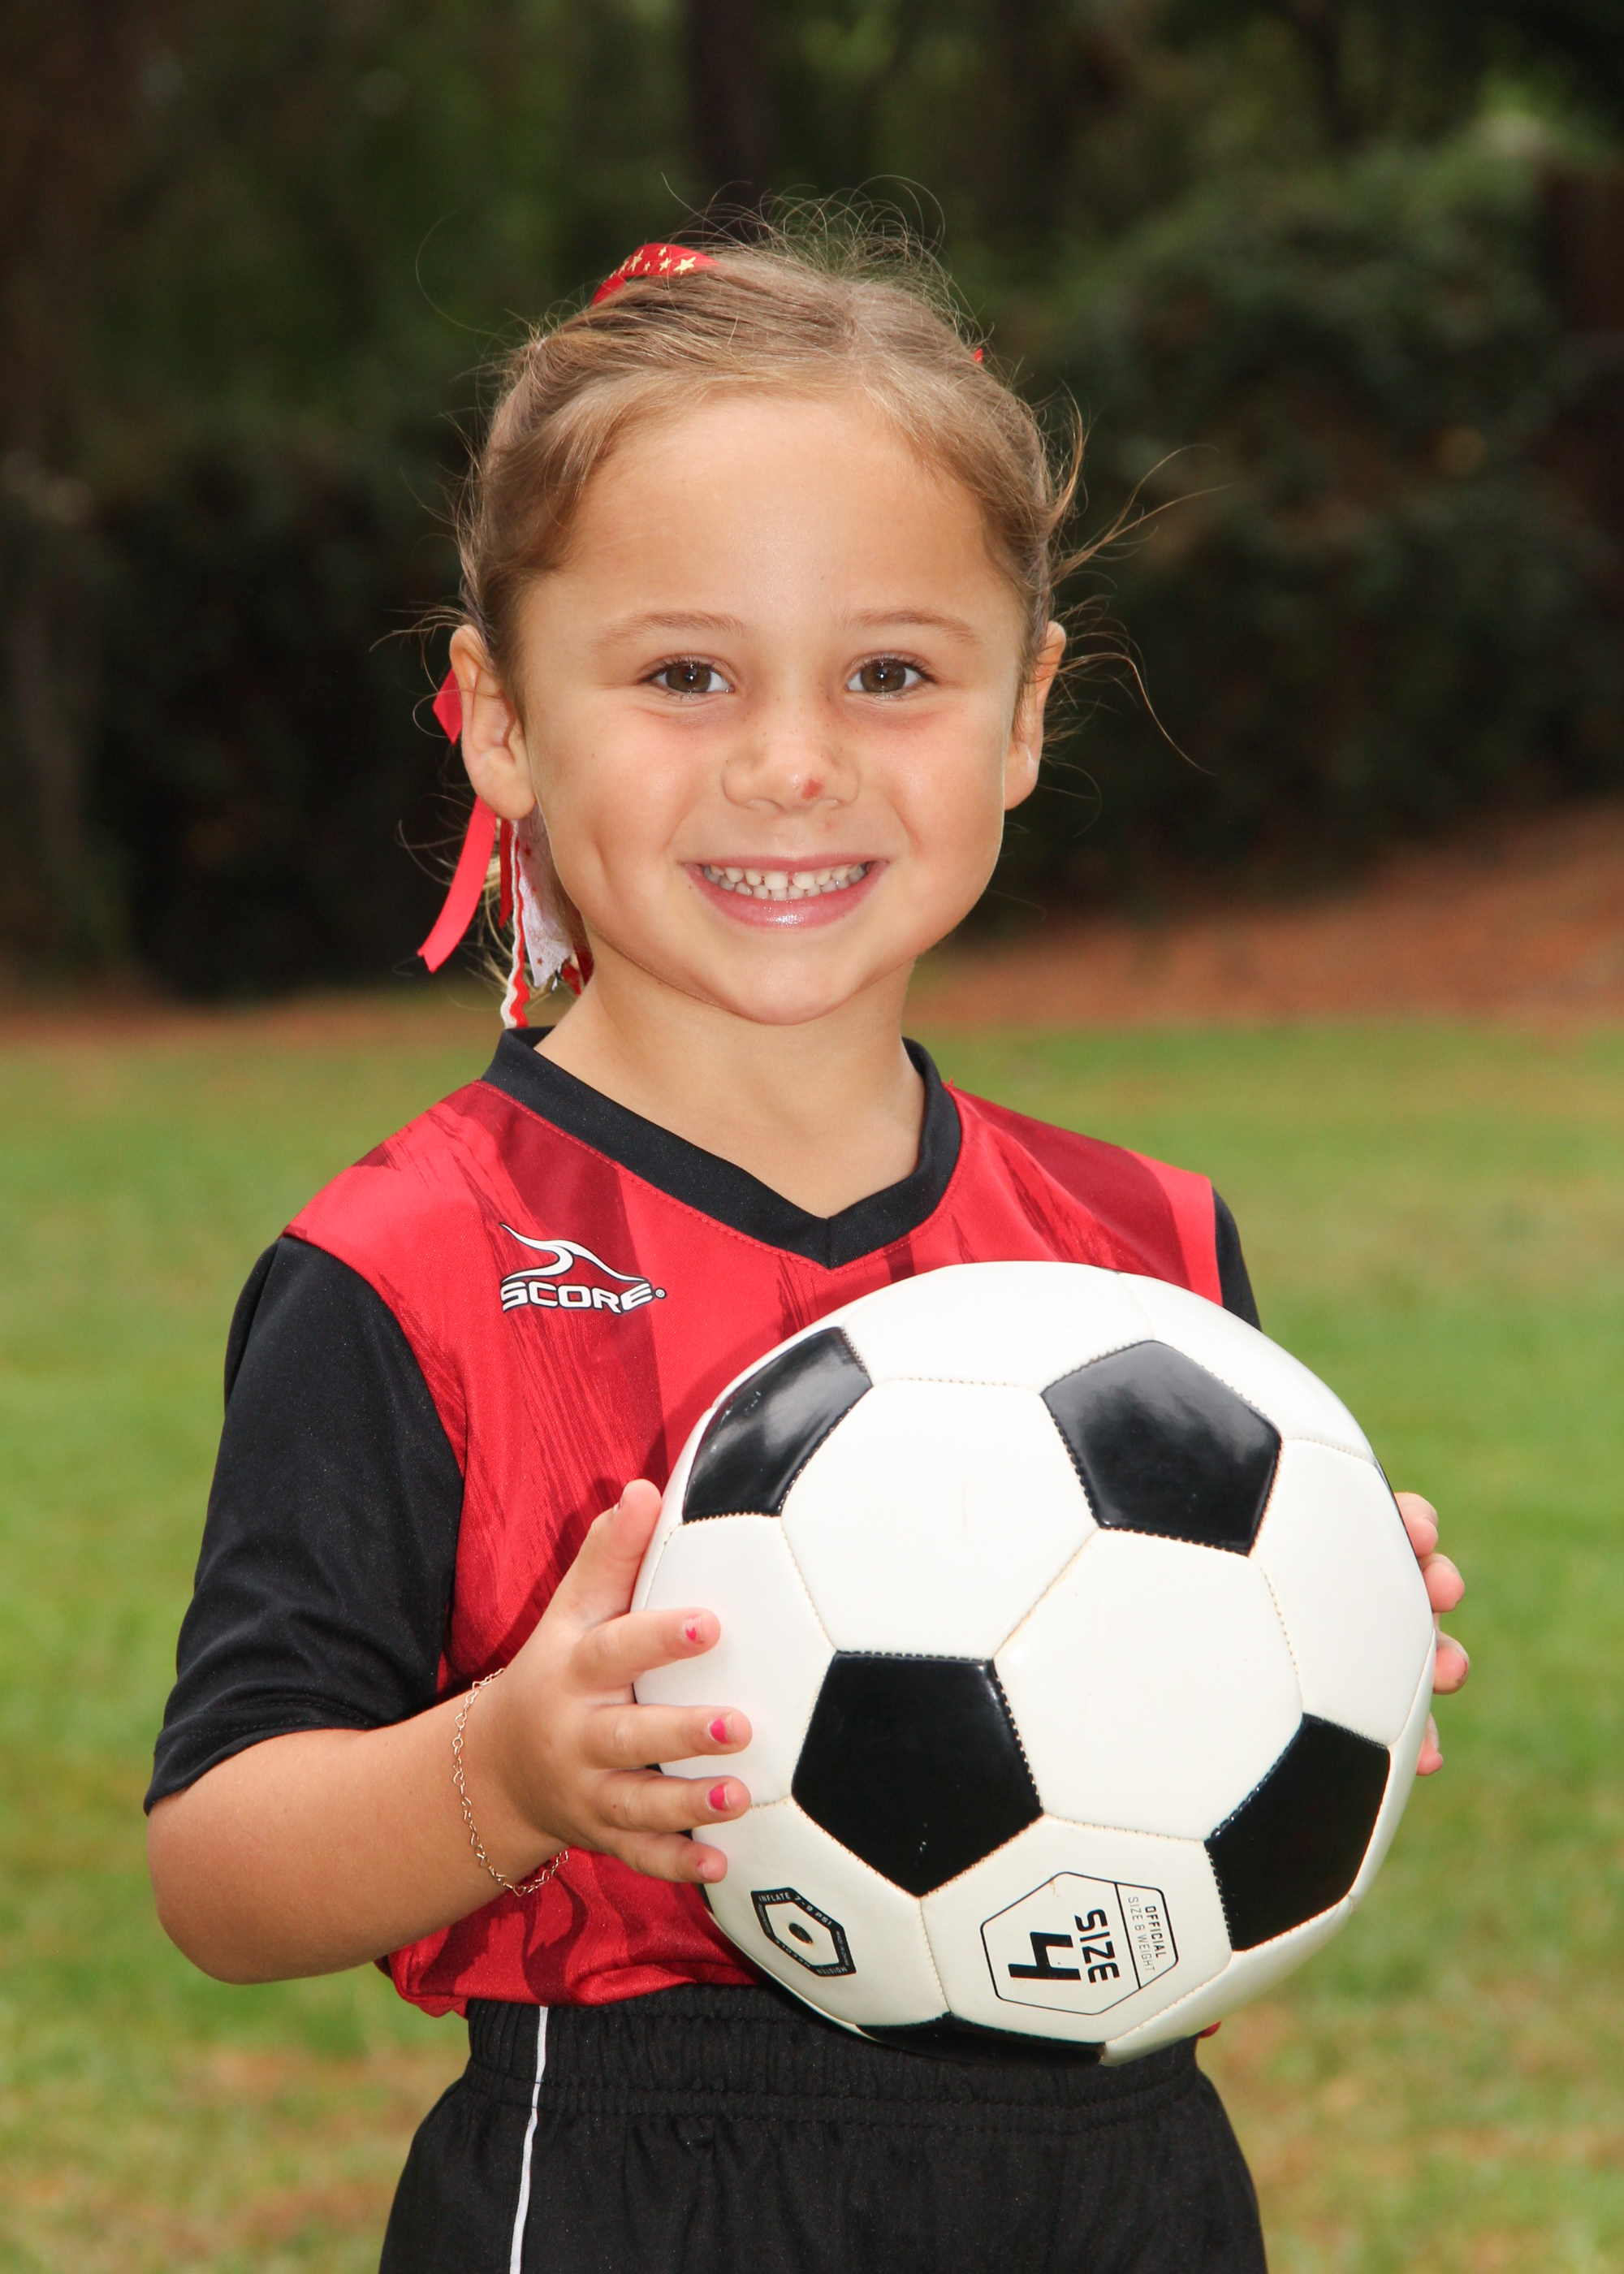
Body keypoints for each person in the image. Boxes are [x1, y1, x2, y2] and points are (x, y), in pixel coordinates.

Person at [145, 232, 1469, 2273]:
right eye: (686, 674)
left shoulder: (1144, 1249)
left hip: (1124, 2187)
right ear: (497, 719)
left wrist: (1322, 1644)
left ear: (1024, 711)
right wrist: (507, 1769)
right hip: (635, 2186)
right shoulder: (408, 1262)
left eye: (891, 673)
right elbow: (221, 1867)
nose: (793, 762)